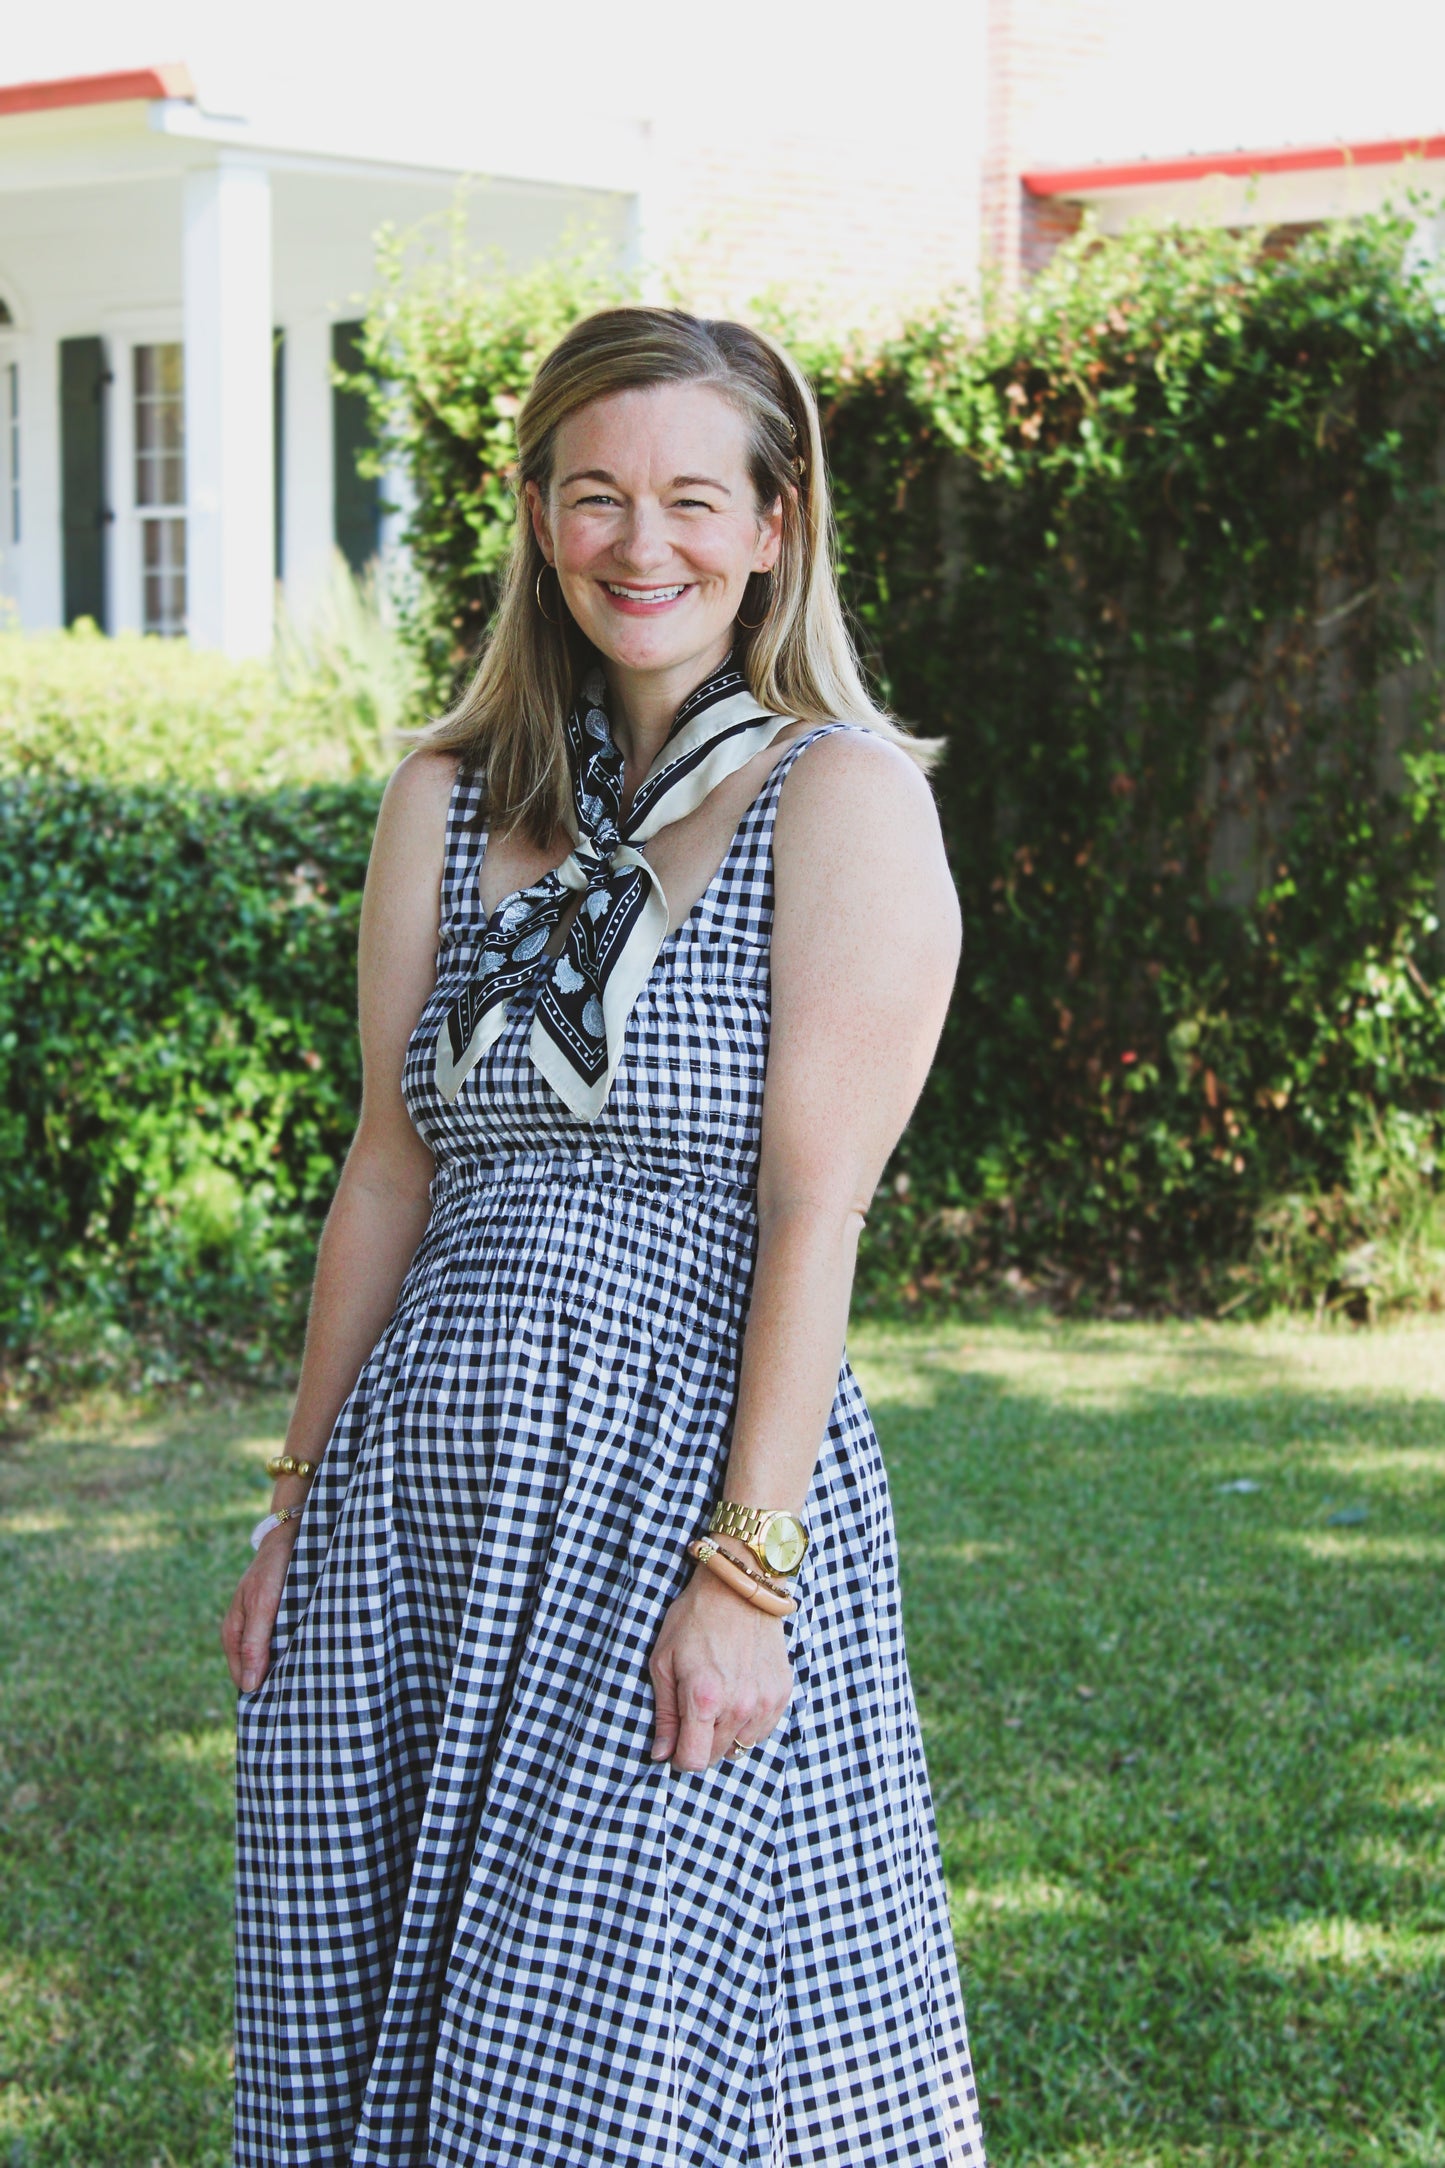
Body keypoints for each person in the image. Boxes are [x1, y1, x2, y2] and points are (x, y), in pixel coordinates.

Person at [222, 304, 986, 2167]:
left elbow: (814, 1208)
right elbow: (388, 1166)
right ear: (538, 517)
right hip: (420, 1488)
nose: (642, 544)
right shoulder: (446, 796)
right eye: (595, 495)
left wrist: (747, 1572)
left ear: (773, 525)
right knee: (363, 1990)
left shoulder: (840, 797)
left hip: (667, 1486)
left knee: (609, 2050)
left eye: (693, 499)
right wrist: (294, 1503)